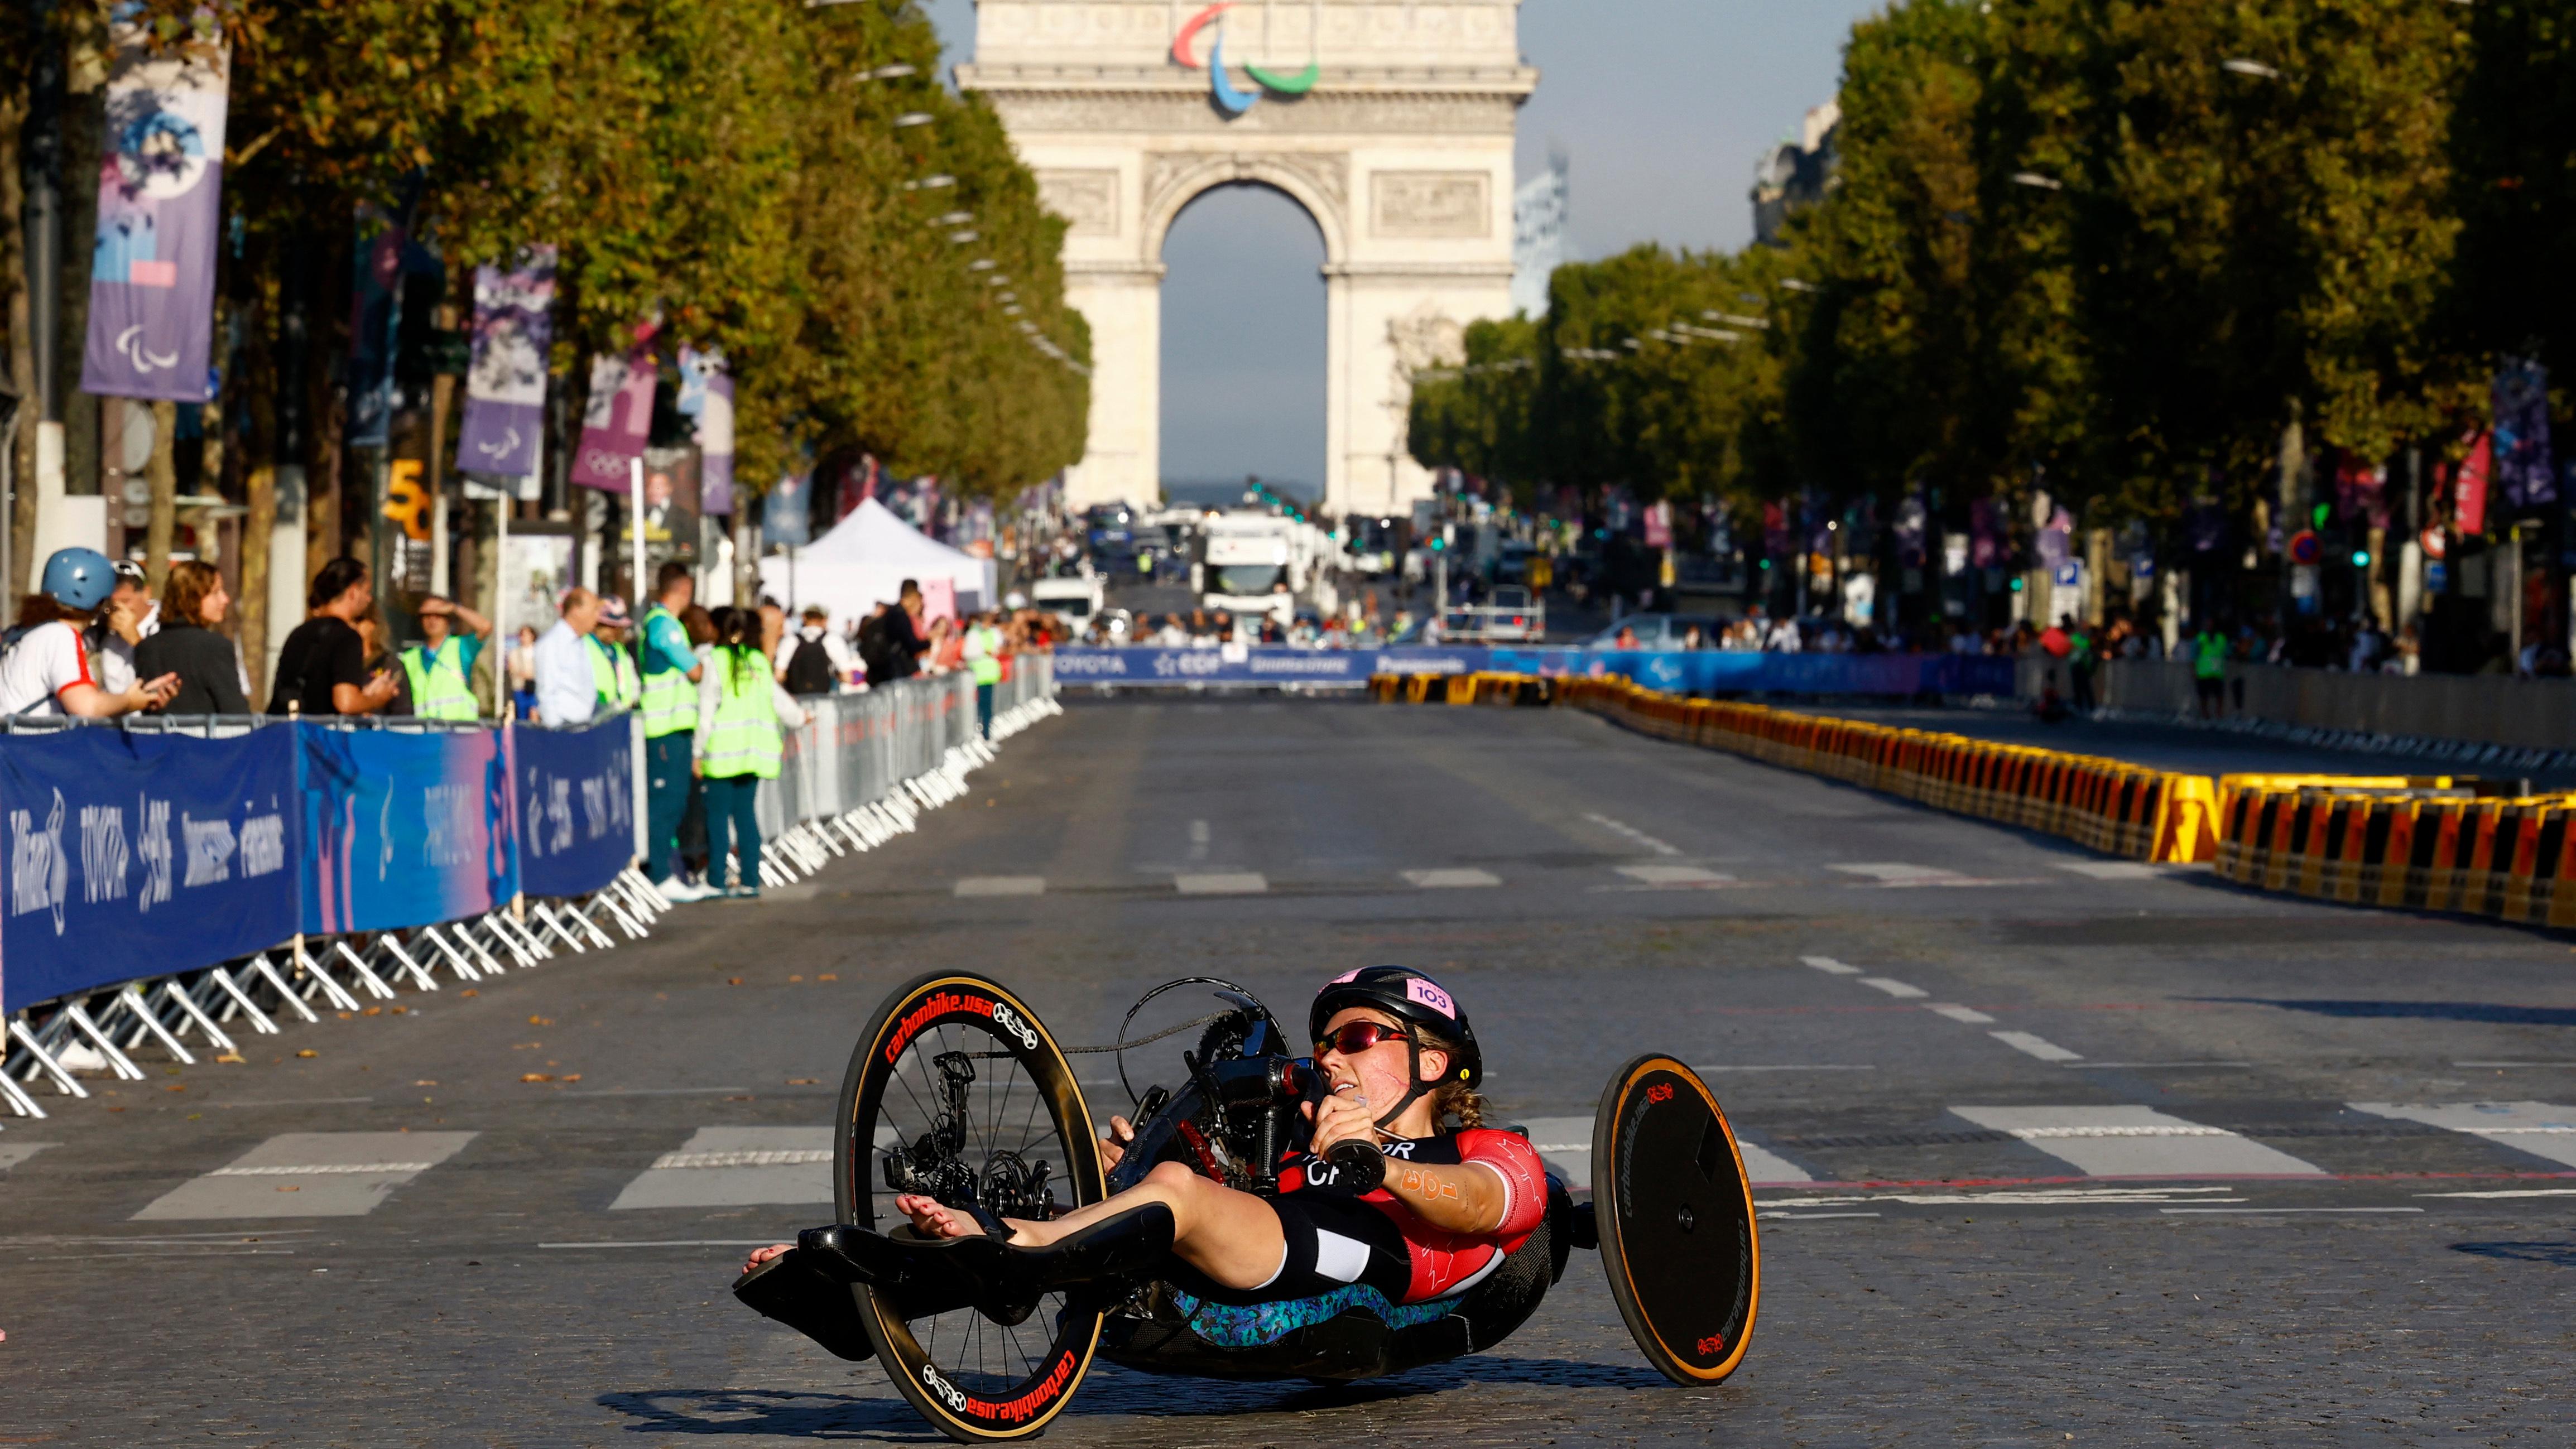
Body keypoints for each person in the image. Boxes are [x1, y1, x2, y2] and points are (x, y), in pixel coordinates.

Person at [741, 967, 1546, 1323]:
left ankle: (1002, 1250)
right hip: (1269, 1248)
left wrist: (1377, 1158)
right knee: (1136, 1190)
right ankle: (868, 1280)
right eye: (1324, 1041)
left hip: (1372, 1258)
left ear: (1431, 1062)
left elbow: (1482, 1208)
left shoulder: (1492, 1149)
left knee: (1177, 1191)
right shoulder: (1305, 1134)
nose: (1331, 1054)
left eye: (1359, 1036)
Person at [693, 606, 808, 898]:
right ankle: (750, 880)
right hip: (754, 750)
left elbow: (707, 709)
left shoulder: (714, 660)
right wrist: (799, 717)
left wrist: (698, 751)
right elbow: (777, 699)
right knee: (746, 815)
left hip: (722, 751)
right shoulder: (757, 660)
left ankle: (717, 879)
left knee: (717, 817)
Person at [1, 547, 179, 717]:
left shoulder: (24, 631)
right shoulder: (60, 635)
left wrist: (141, 696)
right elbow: (87, 706)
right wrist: (129, 701)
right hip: (31, 745)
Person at [638, 563, 710, 901]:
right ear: (684, 589)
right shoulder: (663, 625)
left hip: (675, 727)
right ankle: (659, 876)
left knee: (675, 800)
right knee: (665, 803)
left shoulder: (668, 624)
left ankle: (664, 873)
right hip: (663, 727)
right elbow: (695, 671)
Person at [268, 557, 398, 716]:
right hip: (320, 735)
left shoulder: (300, 632)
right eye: (367, 592)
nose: (368, 599)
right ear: (353, 592)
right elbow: (345, 703)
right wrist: (378, 699)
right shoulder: (347, 637)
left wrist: (364, 694)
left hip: (286, 729)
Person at [136, 560, 249, 714]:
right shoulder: (215, 647)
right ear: (192, 598)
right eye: (216, 592)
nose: (225, 599)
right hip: (206, 738)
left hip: (158, 739)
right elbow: (235, 713)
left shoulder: (147, 647)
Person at [398, 592, 494, 721]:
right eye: (427, 616)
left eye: (439, 615)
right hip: (423, 734)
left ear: (448, 619)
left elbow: (485, 627)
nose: (432, 620)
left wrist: (455, 608)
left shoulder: (461, 647)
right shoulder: (409, 658)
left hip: (459, 733)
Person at [533, 588, 605, 724]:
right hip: (565, 728)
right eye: (594, 609)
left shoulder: (581, 642)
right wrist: (558, 734)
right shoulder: (552, 643)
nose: (598, 616)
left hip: (585, 727)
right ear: (576, 610)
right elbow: (546, 694)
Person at [590, 596, 642, 711]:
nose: (616, 631)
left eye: (619, 627)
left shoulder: (619, 650)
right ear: (597, 624)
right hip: (596, 717)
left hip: (620, 716)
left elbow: (632, 682)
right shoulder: (585, 646)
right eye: (610, 626)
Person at [962, 608, 1005, 736]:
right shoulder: (974, 634)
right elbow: (968, 653)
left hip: (989, 676)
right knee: (979, 708)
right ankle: (982, 735)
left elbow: (999, 647)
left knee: (987, 708)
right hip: (977, 676)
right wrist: (985, 652)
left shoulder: (992, 632)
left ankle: (986, 734)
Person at [782, 605, 840, 696]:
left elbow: (779, 674)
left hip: (797, 700)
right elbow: (847, 677)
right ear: (824, 620)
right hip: (825, 699)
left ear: (804, 617)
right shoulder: (832, 640)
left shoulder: (791, 640)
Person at [2191, 620, 2229, 718]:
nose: (2210, 627)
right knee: (2204, 695)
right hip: (2204, 673)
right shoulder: (2200, 638)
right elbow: (2193, 655)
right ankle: (2205, 713)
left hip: (2217, 672)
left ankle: (2219, 713)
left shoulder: (2221, 638)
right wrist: (2194, 670)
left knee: (2219, 694)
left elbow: (2227, 652)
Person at [506, 625, 540, 720]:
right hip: (520, 687)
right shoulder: (514, 652)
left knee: (534, 711)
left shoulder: (539, 651)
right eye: (522, 635)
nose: (524, 638)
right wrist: (523, 674)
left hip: (535, 687)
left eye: (527, 635)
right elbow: (513, 669)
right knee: (522, 714)